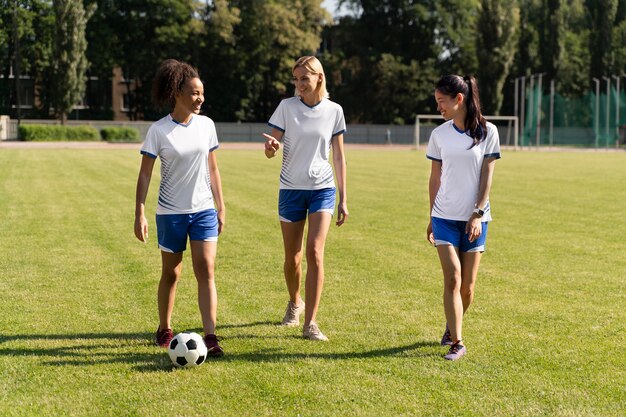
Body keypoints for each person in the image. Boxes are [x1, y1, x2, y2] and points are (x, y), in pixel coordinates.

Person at [134, 59, 225, 356]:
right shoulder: (159, 131)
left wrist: (220, 206)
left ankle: (210, 336)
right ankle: (165, 328)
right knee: (171, 274)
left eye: (202, 93)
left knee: (206, 269)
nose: (200, 98)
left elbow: (213, 169)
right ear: (177, 93)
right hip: (170, 213)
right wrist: (140, 212)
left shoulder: (207, 126)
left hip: (203, 210)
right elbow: (145, 173)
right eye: (194, 93)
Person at [262, 56, 348, 341]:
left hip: (323, 188)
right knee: (293, 258)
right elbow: (271, 148)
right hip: (291, 190)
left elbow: (338, 155)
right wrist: (272, 147)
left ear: (319, 78)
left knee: (314, 252)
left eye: (303, 79)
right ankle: (294, 302)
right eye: (296, 79)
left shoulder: (334, 111)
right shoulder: (286, 107)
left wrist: (344, 198)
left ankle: (310, 322)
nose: (298, 85)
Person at [425, 74, 501, 360]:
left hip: (476, 220)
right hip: (444, 217)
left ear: (459, 99)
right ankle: (458, 342)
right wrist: (432, 216)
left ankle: (450, 325)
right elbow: (435, 178)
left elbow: (487, 176)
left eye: (442, 101)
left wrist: (477, 214)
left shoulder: (488, 131)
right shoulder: (438, 135)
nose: (439, 108)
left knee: (467, 288)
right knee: (453, 279)